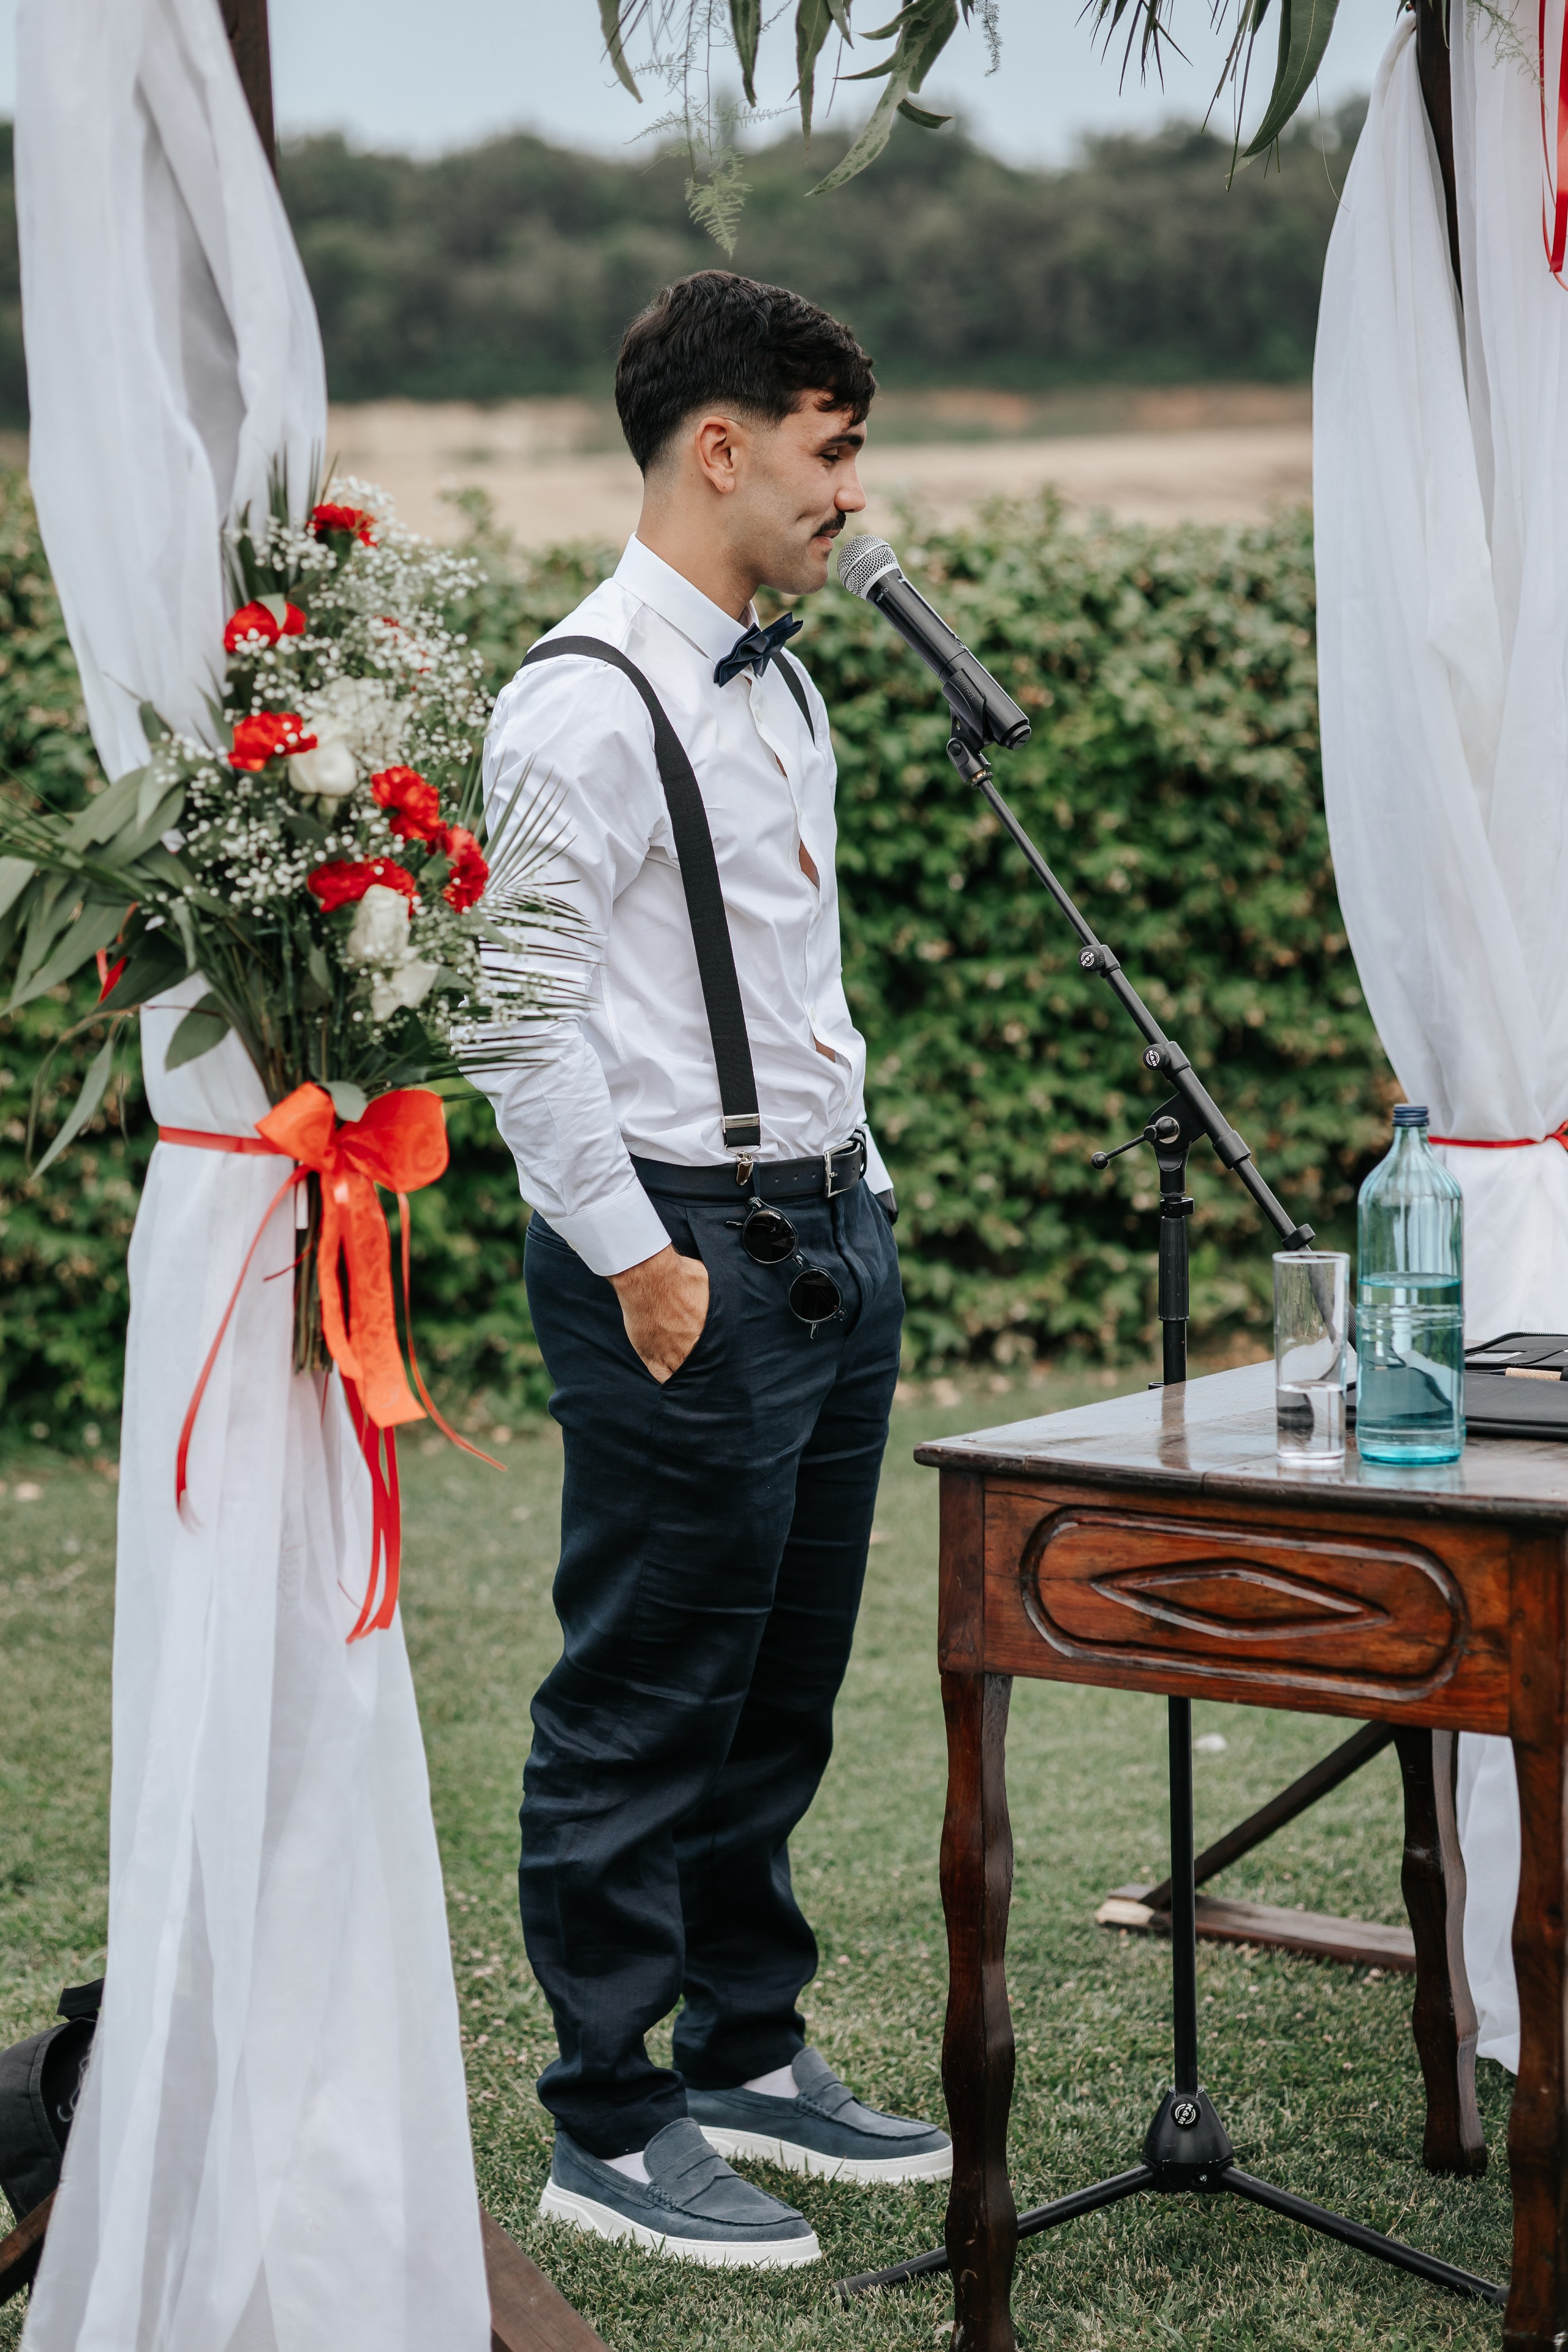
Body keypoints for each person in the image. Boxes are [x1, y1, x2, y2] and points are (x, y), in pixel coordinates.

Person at [477, 270, 948, 2268]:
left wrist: (871, 1181)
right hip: (677, 1252)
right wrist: (641, 1261)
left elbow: (784, 978)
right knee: (649, 1691)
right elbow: (520, 1021)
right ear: (726, 447)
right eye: (834, 451)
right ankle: (609, 2115)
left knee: (781, 1687)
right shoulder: (578, 702)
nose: (856, 489)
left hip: (825, 1234)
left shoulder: (787, 671)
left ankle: (749, 2047)